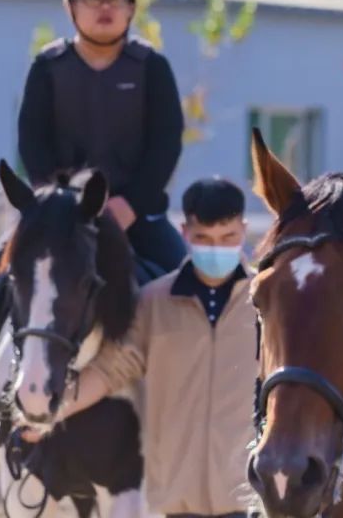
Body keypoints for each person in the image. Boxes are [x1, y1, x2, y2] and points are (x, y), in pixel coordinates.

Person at [0, 0, 187, 431]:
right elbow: (32, 141)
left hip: (137, 213)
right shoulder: (48, 66)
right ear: (71, 7)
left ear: (131, 8)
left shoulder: (153, 68)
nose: (103, 5)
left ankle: (187, 397)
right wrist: (55, 203)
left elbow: (166, 145)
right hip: (61, 213)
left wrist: (131, 206)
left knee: (185, 282)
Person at [23, 177, 257, 518]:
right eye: (204, 238)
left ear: (244, 231)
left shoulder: (268, 303)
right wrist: (51, 411)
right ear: (185, 232)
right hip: (176, 501)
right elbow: (109, 369)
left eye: (228, 238)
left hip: (248, 499)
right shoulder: (154, 303)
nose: (216, 248)